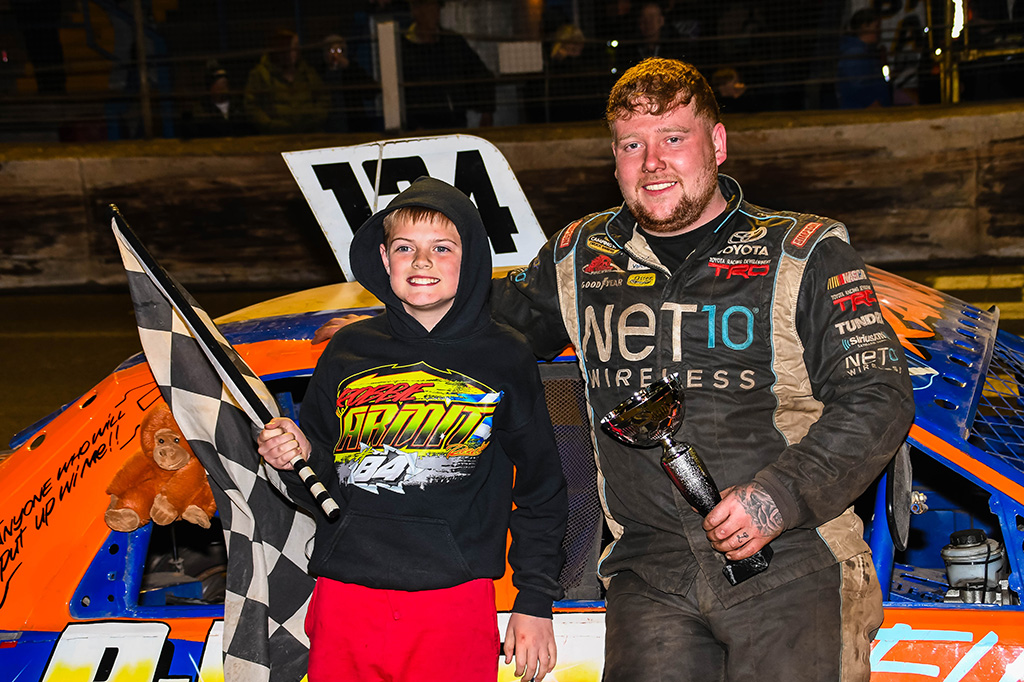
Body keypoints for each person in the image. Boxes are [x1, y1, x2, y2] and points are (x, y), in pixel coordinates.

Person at [492, 58, 915, 681]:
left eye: (673, 138)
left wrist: (776, 498)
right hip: (649, 574)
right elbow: (483, 331)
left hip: (795, 559)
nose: (652, 162)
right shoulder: (579, 256)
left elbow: (879, 397)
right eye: (632, 145)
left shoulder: (803, 251)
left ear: (716, 143)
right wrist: (403, 293)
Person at [257, 177, 568, 682]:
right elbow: (318, 484)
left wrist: (534, 600)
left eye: (442, 248)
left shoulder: (506, 354)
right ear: (384, 259)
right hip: (345, 596)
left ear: (471, 259)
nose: (422, 262)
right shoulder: (348, 349)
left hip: (454, 601)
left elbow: (543, 489)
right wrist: (292, 457)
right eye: (405, 248)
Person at [400, 0, 496, 130]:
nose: (435, 14)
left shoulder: (453, 42)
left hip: (455, 123)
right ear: (416, 11)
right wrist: (412, 125)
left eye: (436, 9)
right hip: (422, 127)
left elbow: (478, 72)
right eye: (429, 9)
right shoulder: (403, 48)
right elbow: (399, 94)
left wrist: (487, 110)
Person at [244, 29, 328, 134]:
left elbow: (323, 98)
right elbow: (252, 105)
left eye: (296, 47)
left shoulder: (307, 72)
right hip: (275, 136)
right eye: (291, 48)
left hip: (309, 134)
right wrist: (271, 125)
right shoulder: (261, 74)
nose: (295, 52)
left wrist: (313, 121)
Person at [320, 34, 378, 133]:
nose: (335, 55)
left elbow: (371, 91)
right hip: (329, 124)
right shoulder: (320, 72)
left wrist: (349, 68)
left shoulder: (353, 69)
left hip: (353, 124)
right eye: (332, 51)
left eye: (339, 50)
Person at [837, 8, 891, 109]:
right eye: (876, 26)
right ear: (864, 27)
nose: (879, 31)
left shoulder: (867, 52)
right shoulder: (855, 53)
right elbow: (860, 90)